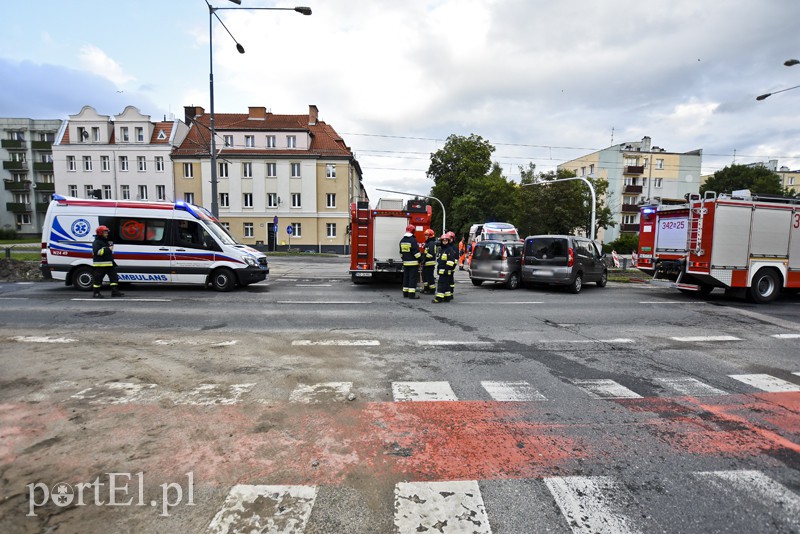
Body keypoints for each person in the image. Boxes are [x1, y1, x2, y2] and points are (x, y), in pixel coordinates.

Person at [92, 225, 124, 298]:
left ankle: (114, 292)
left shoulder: (105, 241)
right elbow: (98, 252)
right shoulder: (97, 242)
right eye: (105, 232)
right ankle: (96, 293)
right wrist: (108, 249)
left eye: (107, 232)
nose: (107, 234)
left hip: (109, 264)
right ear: (100, 233)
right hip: (100, 265)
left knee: (114, 278)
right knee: (98, 280)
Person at [399, 223, 422, 299]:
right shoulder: (413, 240)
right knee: (412, 278)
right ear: (413, 231)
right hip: (413, 263)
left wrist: (404, 259)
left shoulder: (402, 240)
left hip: (405, 263)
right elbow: (416, 253)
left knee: (406, 278)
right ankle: (411, 294)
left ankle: (405, 293)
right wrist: (420, 260)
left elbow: (401, 253)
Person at [433, 233, 456, 303]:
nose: (444, 242)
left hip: (445, 271)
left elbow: (451, 261)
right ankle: (447, 297)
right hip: (442, 270)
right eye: (443, 241)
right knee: (446, 284)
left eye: (446, 240)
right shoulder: (443, 250)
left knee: (441, 284)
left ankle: (438, 298)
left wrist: (447, 270)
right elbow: (440, 261)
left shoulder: (449, 250)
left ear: (448, 241)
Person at [421, 229, 437, 294]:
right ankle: (426, 288)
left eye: (426, 235)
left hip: (429, 263)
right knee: (424, 276)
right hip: (426, 263)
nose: (425, 236)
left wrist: (424, 259)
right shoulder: (428, 243)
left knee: (429, 277)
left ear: (430, 235)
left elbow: (430, 254)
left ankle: (432, 290)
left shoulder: (431, 243)